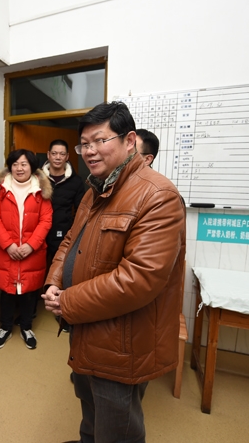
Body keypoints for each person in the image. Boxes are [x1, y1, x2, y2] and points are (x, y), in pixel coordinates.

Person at [43, 102, 186, 443]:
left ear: (129, 140)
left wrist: (67, 302)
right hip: (87, 327)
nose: (90, 151)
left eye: (99, 140)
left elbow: (139, 279)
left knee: (117, 425)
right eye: (84, 144)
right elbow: (70, 243)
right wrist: (53, 281)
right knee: (89, 405)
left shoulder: (158, 195)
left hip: (123, 341)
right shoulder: (95, 190)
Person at [0, 149, 52, 349]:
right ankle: (6, 327)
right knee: (7, 291)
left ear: (31, 166)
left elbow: (46, 220)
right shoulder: (0, 189)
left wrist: (30, 245)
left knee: (29, 292)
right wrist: (8, 245)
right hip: (5, 251)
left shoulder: (41, 189)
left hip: (32, 251)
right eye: (15, 164)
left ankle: (26, 327)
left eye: (24, 164)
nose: (19, 168)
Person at [41, 139, 85, 269]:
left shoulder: (76, 181)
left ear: (67, 156)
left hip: (63, 235)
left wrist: (72, 231)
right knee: (38, 272)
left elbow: (81, 210)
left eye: (62, 154)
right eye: (54, 153)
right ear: (48, 155)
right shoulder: (38, 179)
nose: (58, 157)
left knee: (59, 271)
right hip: (38, 235)